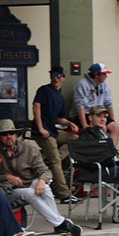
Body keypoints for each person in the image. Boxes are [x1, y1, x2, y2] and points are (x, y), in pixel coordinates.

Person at [0, 119, 82, 236]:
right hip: (9, 190)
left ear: (16, 134)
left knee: (46, 188)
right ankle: (61, 223)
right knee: (30, 193)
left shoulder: (29, 149)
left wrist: (42, 181)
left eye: (11, 133)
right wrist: (7, 177)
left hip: (28, 183)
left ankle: (58, 224)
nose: (9, 137)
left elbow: (44, 170)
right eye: (4, 134)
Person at [31, 66, 80, 202]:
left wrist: (70, 124)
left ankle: (49, 160)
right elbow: (36, 107)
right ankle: (64, 194)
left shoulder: (60, 97)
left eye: (58, 75)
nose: (55, 78)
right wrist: (41, 128)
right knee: (56, 162)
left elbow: (59, 118)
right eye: (53, 75)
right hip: (41, 132)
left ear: (64, 78)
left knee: (75, 138)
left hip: (52, 131)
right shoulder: (44, 90)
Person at [74, 62, 119, 145]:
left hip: (100, 112)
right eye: (104, 74)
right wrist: (84, 125)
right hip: (87, 113)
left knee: (116, 127)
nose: (106, 76)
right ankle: (99, 153)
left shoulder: (104, 84)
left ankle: (112, 152)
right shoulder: (82, 84)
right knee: (100, 128)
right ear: (97, 75)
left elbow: (108, 102)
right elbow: (79, 105)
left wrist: (112, 120)